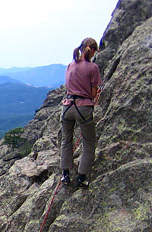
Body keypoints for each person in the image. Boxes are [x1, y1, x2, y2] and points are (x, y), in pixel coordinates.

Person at [60, 37, 102, 188]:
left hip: (67, 107)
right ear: (91, 50)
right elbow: (93, 91)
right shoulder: (92, 67)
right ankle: (81, 177)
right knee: (89, 142)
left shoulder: (70, 65)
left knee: (66, 140)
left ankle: (65, 175)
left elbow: (68, 86)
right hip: (83, 107)